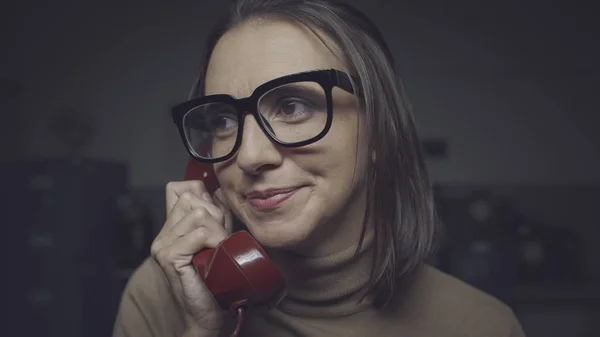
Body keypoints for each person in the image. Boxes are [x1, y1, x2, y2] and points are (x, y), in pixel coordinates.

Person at [112, 0, 526, 336]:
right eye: (224, 120)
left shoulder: (482, 325)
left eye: (293, 106)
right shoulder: (160, 297)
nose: (250, 156)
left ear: (380, 131)